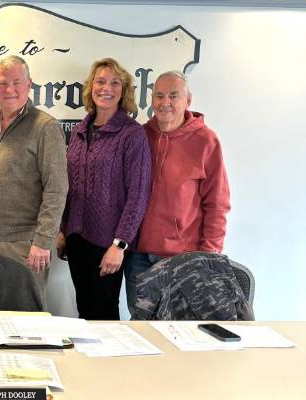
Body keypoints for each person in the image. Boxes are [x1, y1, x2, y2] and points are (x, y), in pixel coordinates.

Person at [125, 70, 231, 310]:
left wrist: (208, 256)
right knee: (141, 326)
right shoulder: (140, 136)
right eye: (159, 96)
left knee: (178, 329)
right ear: (151, 100)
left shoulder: (206, 141)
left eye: (174, 96)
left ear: (188, 100)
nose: (165, 103)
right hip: (138, 256)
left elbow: (217, 203)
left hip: (183, 258)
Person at [56, 58, 151, 320]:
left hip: (108, 243)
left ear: (124, 90)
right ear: (91, 87)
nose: (106, 88)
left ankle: (109, 363)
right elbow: (68, 185)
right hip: (76, 237)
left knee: (104, 315)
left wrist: (119, 245)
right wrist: (63, 230)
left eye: (114, 83)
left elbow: (138, 195)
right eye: (100, 81)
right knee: (85, 309)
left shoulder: (132, 134)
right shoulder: (79, 131)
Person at [0, 55, 68, 306]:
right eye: (3, 83)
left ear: (29, 85)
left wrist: (43, 241)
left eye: (17, 82)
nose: (9, 90)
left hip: (25, 245)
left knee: (24, 320)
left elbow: (57, 188)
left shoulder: (45, 127)